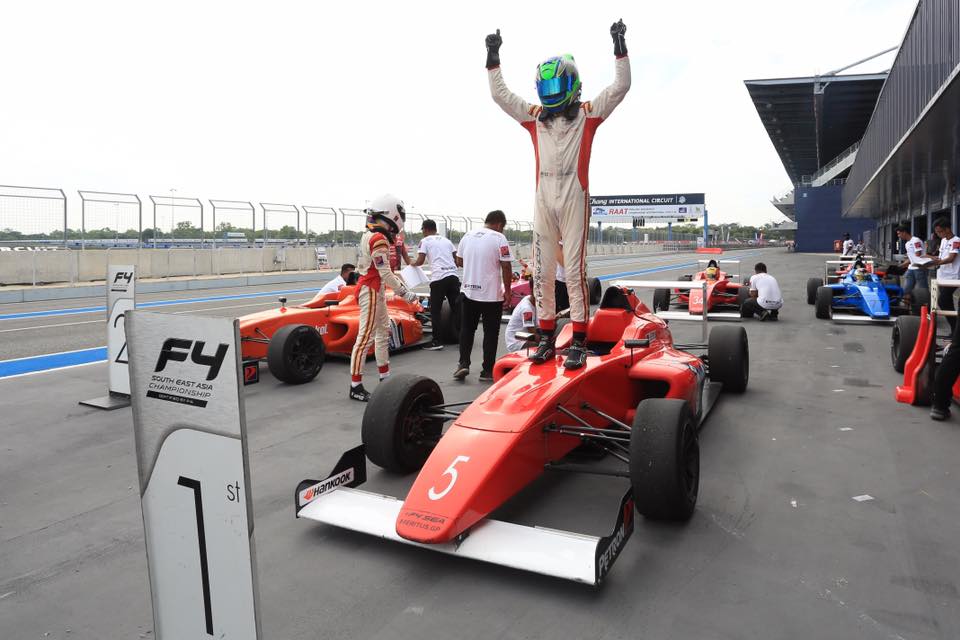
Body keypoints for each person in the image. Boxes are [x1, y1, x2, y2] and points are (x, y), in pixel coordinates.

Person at [486, 20, 631, 370]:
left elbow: (621, 85)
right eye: (546, 84)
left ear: (573, 85)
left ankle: (579, 339)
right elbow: (501, 96)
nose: (552, 90)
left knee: (576, 270)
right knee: (542, 271)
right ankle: (547, 336)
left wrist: (619, 47)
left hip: (574, 197)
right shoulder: (535, 118)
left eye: (557, 83)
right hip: (542, 199)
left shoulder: (588, 114)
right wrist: (493, 59)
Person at [348, 195, 419, 402]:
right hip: (370, 289)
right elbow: (385, 273)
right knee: (365, 338)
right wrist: (406, 293)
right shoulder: (378, 239)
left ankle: (384, 377)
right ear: (393, 214)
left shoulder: (369, 235)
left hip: (372, 289)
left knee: (382, 333)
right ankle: (355, 385)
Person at [453, 210, 514, 382]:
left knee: (467, 329)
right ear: (500, 224)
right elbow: (506, 266)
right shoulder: (499, 238)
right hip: (490, 295)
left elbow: (459, 261)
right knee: (491, 333)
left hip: (469, 291)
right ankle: (487, 370)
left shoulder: (467, 235)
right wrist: (508, 291)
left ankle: (463, 363)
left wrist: (475, 264)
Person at [413, 219, 460, 351]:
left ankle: (437, 341)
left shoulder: (425, 241)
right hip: (453, 276)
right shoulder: (447, 240)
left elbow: (420, 261)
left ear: (426, 229)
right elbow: (456, 260)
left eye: (422, 230)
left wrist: (412, 263)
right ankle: (463, 337)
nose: (422, 232)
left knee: (435, 310)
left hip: (439, 278)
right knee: (457, 308)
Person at [925, 218, 960, 333]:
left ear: (948, 229)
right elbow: (941, 256)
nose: (939, 234)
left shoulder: (956, 241)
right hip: (942, 276)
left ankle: (955, 330)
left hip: (953, 277)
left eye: (940, 232)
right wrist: (931, 258)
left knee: (943, 301)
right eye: (937, 232)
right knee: (946, 302)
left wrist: (937, 262)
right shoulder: (944, 241)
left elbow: (951, 258)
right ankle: (954, 331)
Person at [894, 224, 929, 303]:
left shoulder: (916, 240)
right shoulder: (907, 244)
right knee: (906, 289)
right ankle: (907, 307)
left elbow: (918, 255)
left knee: (922, 289)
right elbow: (911, 258)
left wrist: (903, 265)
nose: (898, 236)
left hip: (919, 269)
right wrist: (901, 266)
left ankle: (924, 307)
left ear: (904, 232)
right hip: (910, 269)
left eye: (899, 233)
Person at [505, 277, 537, 353]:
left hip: (525, 337)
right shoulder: (526, 309)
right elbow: (533, 334)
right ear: (533, 290)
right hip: (517, 343)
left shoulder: (530, 299)